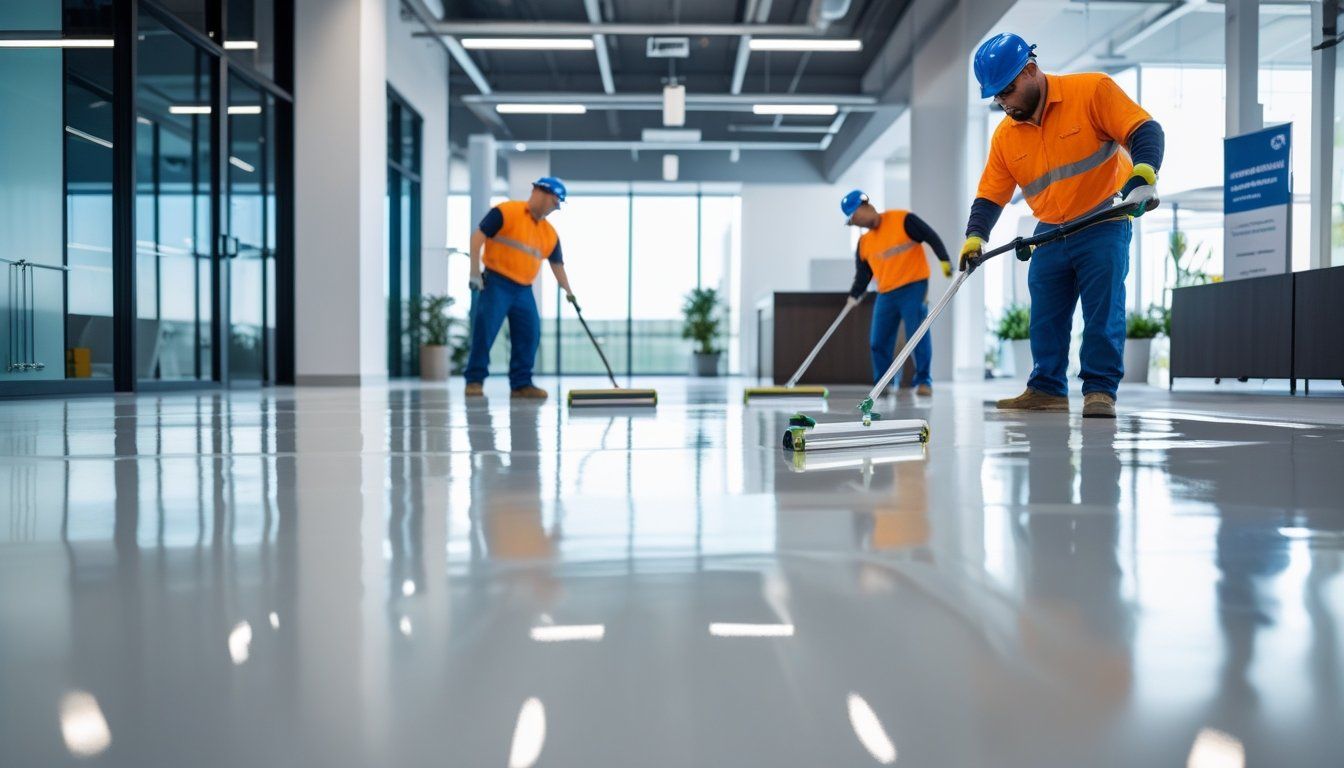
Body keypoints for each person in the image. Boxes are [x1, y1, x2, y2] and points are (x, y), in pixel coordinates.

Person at [960, 33, 1164, 418]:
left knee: (1102, 309)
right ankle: (1047, 388)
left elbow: (1144, 129)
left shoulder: (1091, 91)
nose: (1004, 102)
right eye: (997, 96)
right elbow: (990, 194)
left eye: (1008, 90)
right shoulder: (1005, 136)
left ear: (1030, 70)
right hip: (1050, 228)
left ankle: (1099, 391)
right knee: (1045, 315)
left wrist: (1143, 172)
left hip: (1102, 217)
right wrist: (975, 237)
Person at [464, 177, 575, 400]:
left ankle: (521, 384)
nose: (554, 208)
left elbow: (557, 265)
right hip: (497, 282)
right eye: (554, 202)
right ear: (540, 192)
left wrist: (569, 292)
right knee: (485, 331)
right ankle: (474, 380)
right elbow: (477, 238)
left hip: (524, 289)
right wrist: (474, 272)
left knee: (529, 333)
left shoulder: (549, 234)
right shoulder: (506, 212)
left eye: (557, 205)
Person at [842, 190, 953, 396]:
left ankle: (924, 381)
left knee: (916, 334)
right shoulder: (864, 243)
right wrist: (854, 295)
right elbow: (863, 275)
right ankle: (882, 384)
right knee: (878, 341)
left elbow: (930, 235)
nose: (857, 223)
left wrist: (944, 259)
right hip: (886, 293)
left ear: (867, 207)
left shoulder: (902, 219)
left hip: (913, 286)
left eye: (856, 217)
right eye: (853, 221)